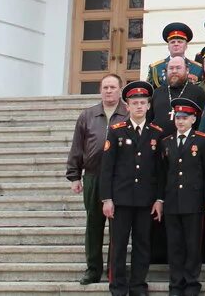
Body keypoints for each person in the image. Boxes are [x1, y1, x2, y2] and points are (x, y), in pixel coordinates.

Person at [100, 81, 164, 296]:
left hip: (145, 200)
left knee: (142, 244)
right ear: (127, 106)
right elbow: (107, 168)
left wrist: (159, 199)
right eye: (134, 103)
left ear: (148, 106)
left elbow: (160, 171)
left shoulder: (156, 133)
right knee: (118, 246)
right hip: (121, 199)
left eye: (142, 102)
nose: (138, 106)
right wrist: (106, 199)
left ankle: (138, 285)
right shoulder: (116, 131)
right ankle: (117, 286)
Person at [66, 73, 128, 285]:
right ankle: (93, 269)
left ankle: (114, 270)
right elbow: (77, 146)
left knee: (117, 228)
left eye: (112, 87)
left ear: (120, 89)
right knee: (93, 225)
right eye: (105, 87)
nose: (109, 91)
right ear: (100, 90)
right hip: (93, 177)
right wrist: (74, 176)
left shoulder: (128, 113)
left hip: (120, 180)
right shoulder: (88, 115)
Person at [159, 97, 205, 296]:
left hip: (194, 201)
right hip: (172, 201)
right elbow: (163, 173)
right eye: (178, 117)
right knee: (175, 244)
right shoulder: (167, 142)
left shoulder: (202, 141)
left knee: (192, 244)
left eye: (185, 117)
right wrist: (161, 199)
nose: (180, 121)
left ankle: (191, 282)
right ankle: (176, 283)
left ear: (193, 119)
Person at [150, 55, 205, 134]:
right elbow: (150, 120)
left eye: (178, 68)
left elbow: (202, 124)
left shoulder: (198, 92)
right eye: (171, 68)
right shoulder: (157, 92)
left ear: (187, 70)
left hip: (187, 144)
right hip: (159, 143)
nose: (174, 71)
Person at [148, 22, 204, 89]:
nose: (176, 44)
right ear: (168, 46)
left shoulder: (198, 68)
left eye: (180, 42)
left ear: (186, 46)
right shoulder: (156, 68)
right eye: (172, 42)